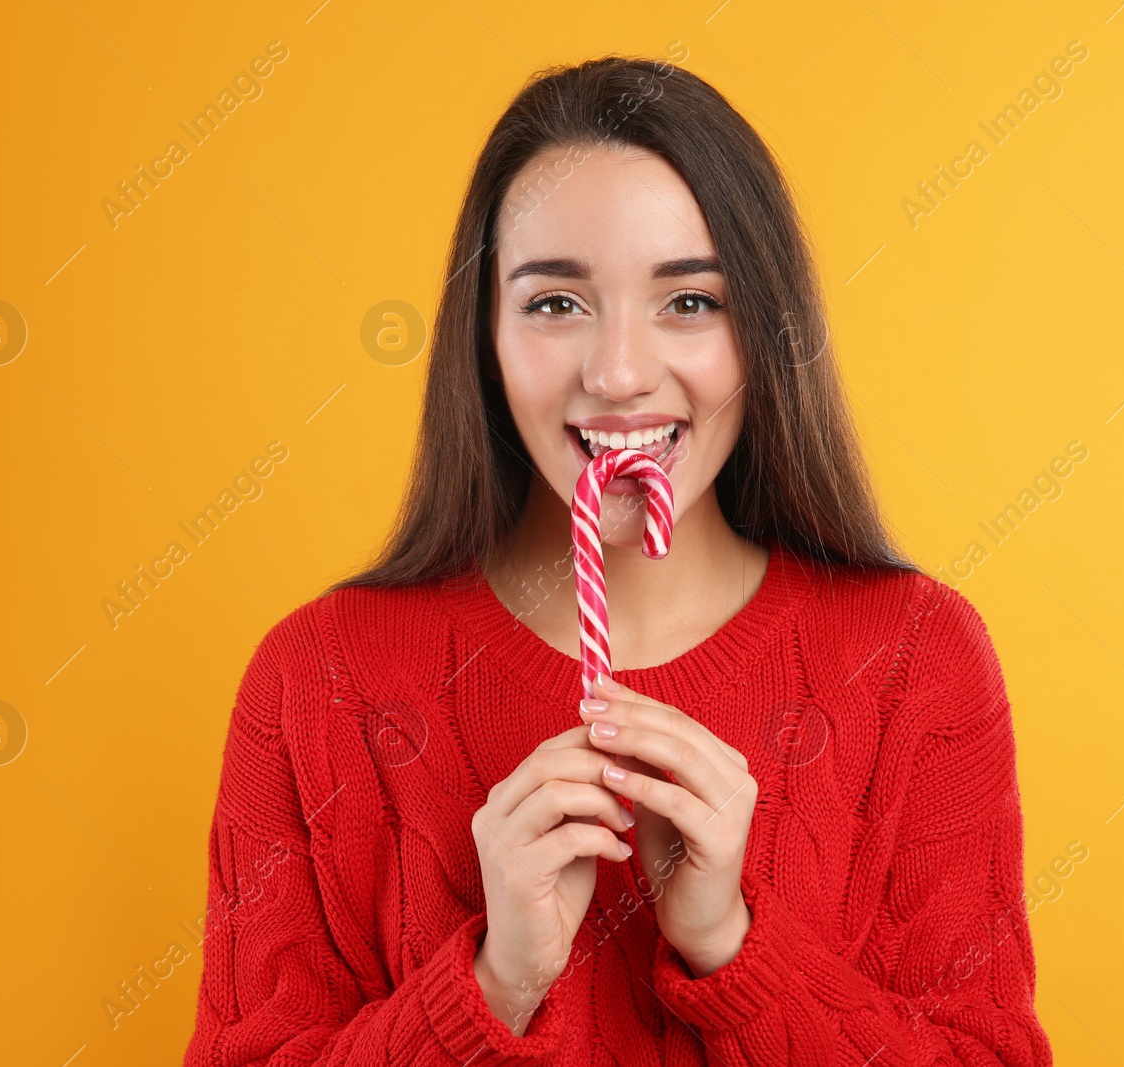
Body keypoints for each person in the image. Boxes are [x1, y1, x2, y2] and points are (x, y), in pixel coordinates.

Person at [182, 54, 1052, 1066]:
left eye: (690, 301)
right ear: (483, 339)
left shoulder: (914, 659)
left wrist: (734, 945)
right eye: (556, 303)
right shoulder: (316, 682)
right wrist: (492, 982)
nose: (620, 372)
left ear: (765, 333)